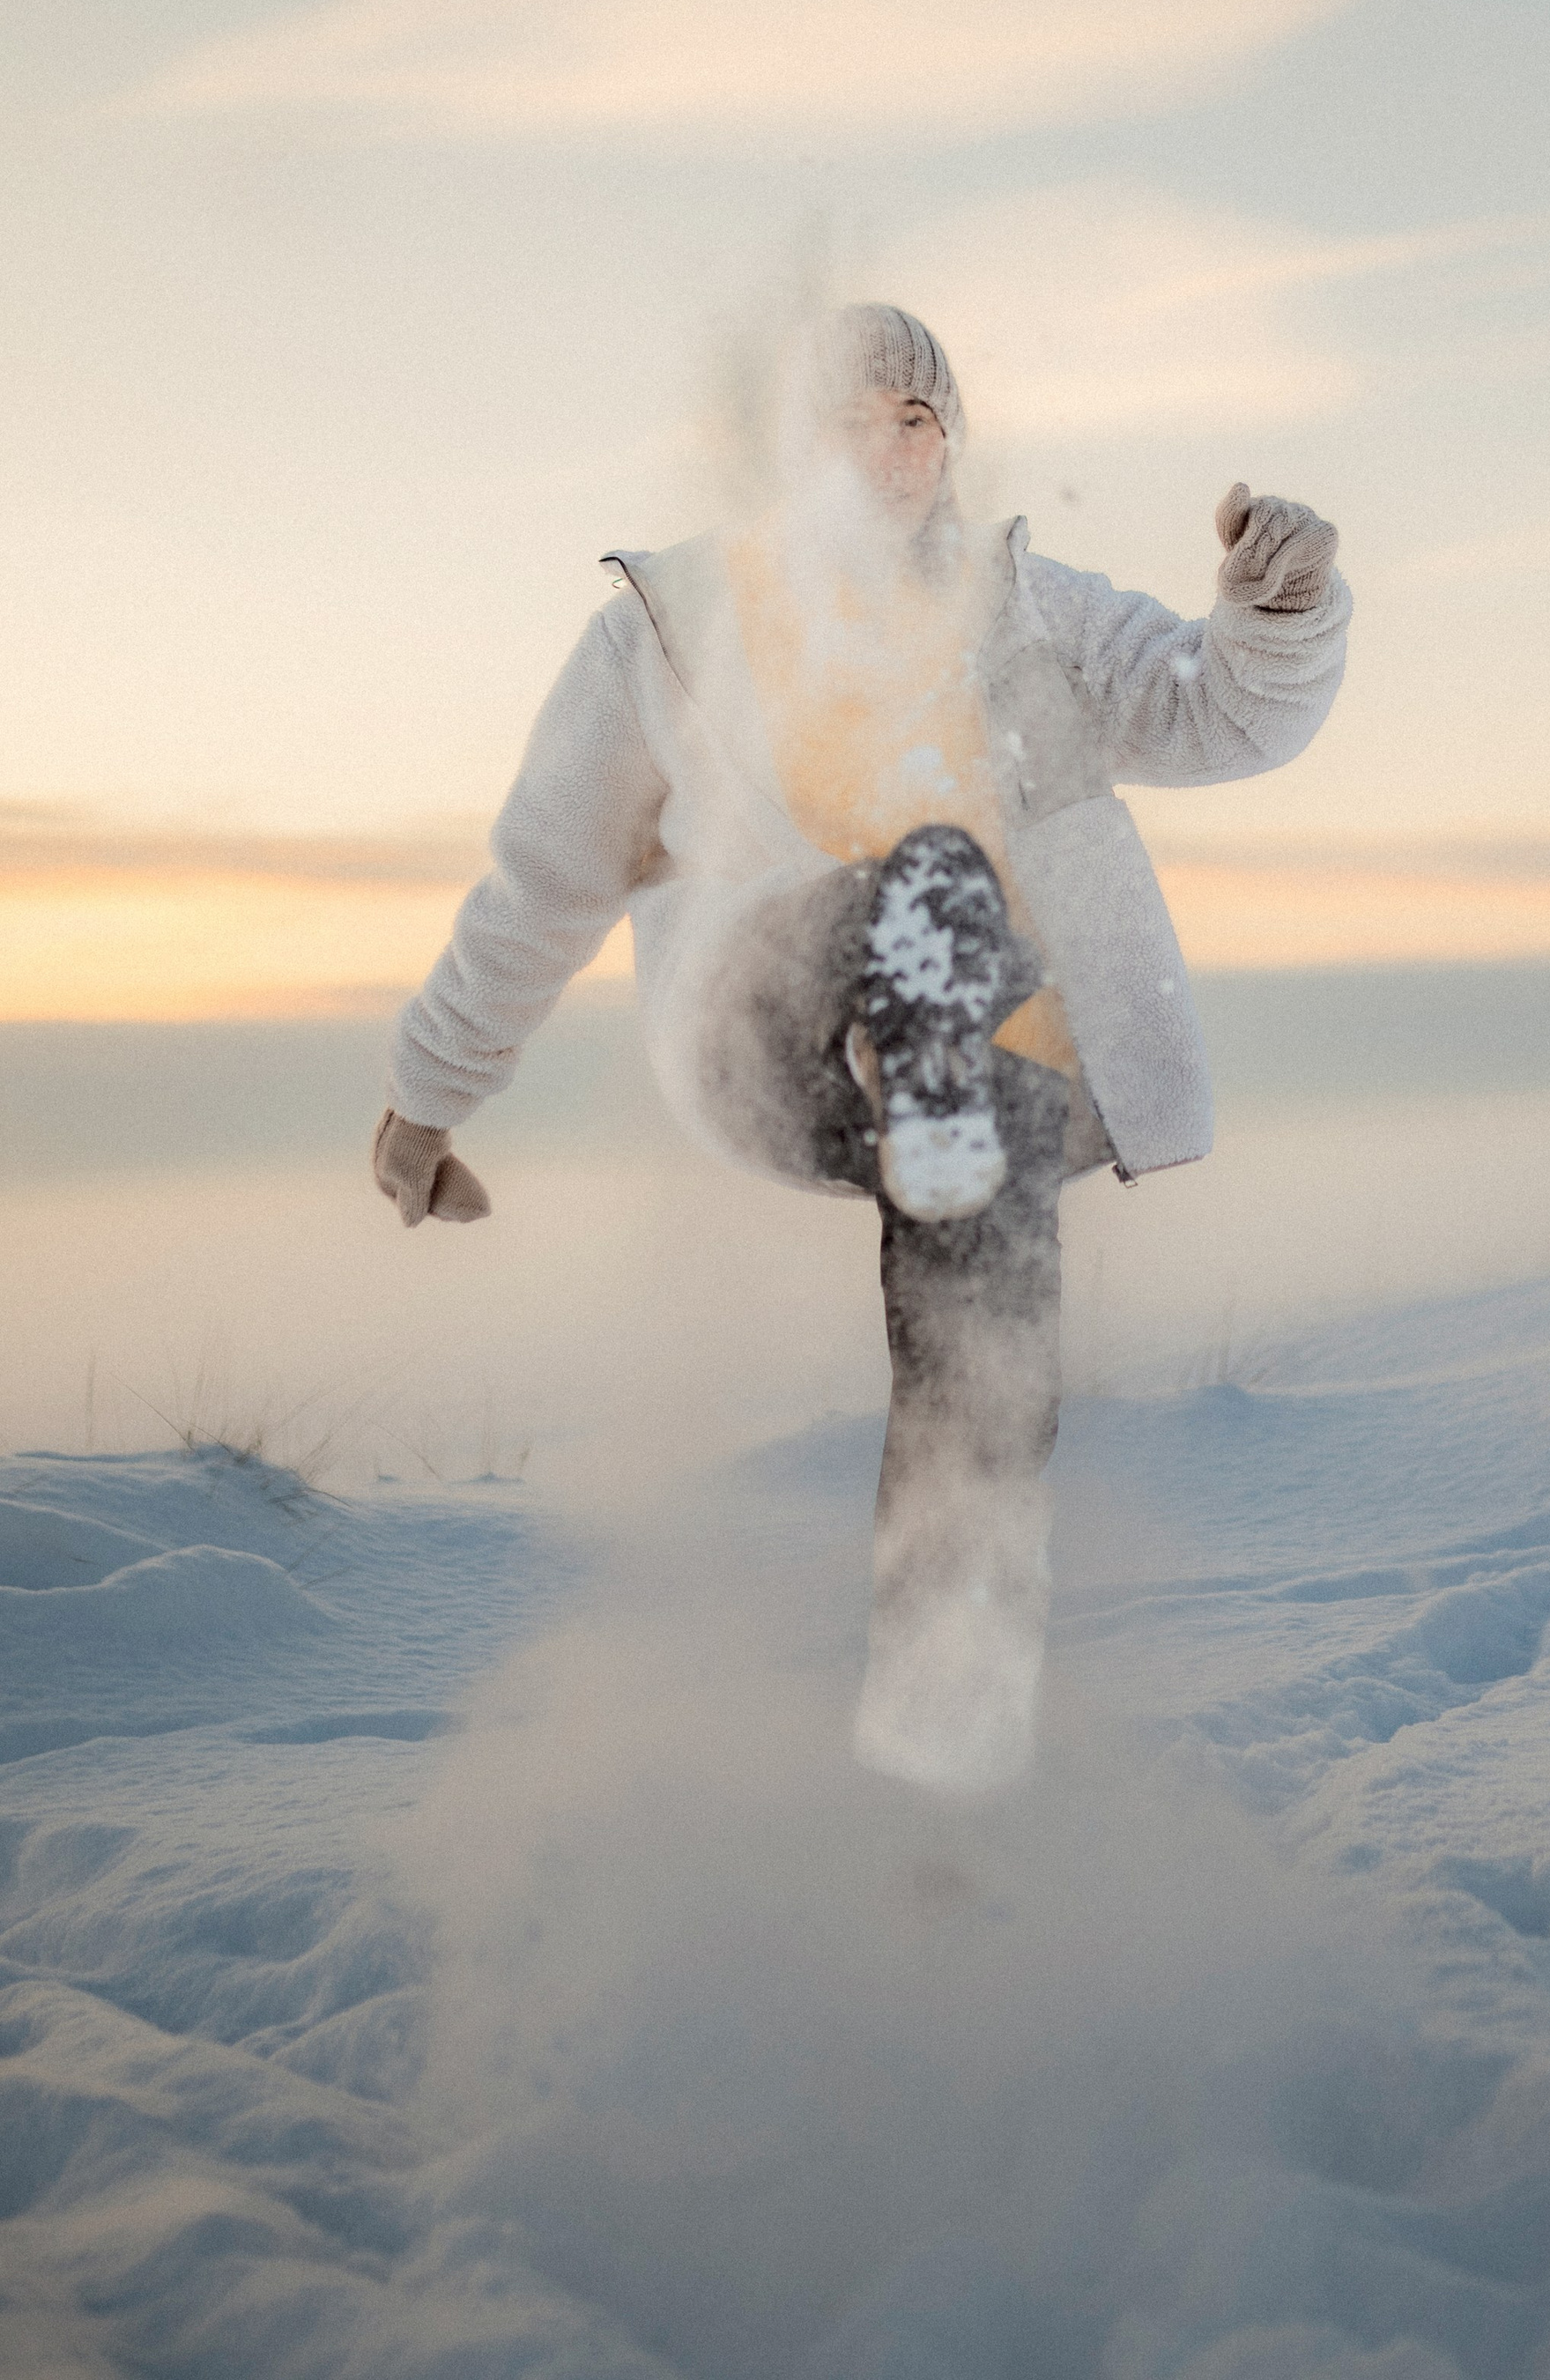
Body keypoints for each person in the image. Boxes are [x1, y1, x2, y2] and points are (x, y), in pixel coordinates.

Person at [372, 305, 1350, 1788]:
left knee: (985, 1413)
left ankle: (938, 1784)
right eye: (851, 422)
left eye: (917, 420)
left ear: (949, 444)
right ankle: (918, 1055)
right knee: (934, 883)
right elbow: (543, 884)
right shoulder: (675, 627)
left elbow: (1214, 712)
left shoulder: (1028, 611)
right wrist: (426, 1101)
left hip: (990, 1076)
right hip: (768, 1030)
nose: (890, 453)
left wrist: (1281, 610)